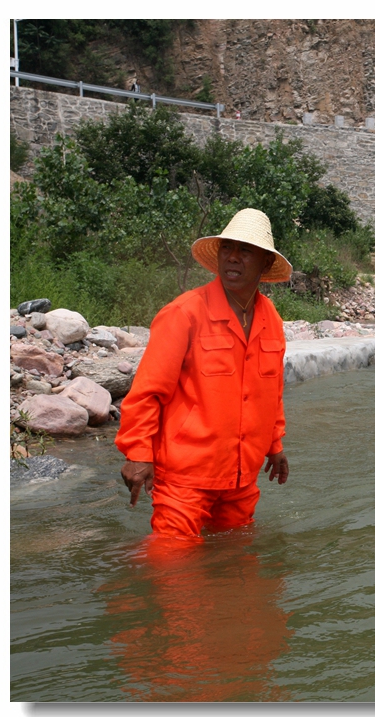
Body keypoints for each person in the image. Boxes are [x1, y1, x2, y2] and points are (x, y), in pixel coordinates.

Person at [115, 208, 292, 538]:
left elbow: (271, 391)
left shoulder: (272, 320)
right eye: (227, 248)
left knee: (238, 569)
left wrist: (275, 444)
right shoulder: (183, 314)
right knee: (171, 571)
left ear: (266, 263)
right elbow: (147, 390)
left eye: (245, 251)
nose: (233, 258)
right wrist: (138, 453)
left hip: (242, 478)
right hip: (185, 479)